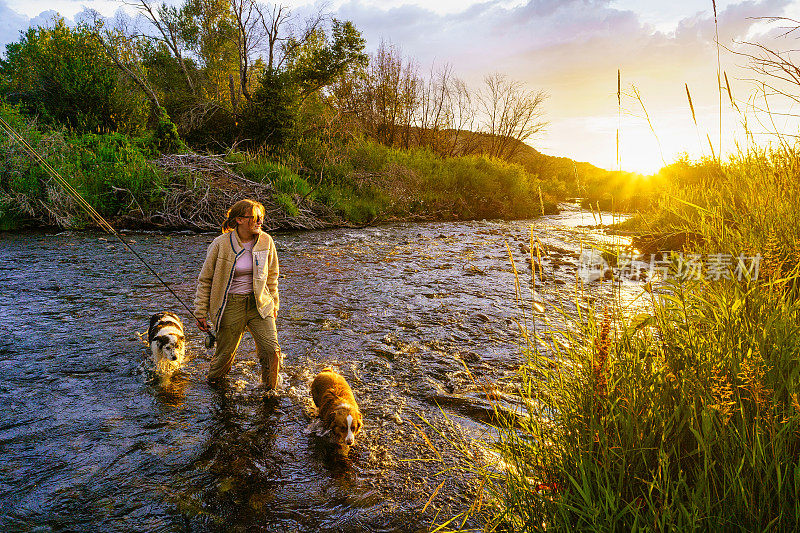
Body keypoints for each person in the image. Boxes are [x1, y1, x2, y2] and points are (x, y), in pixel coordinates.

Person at [194, 199, 281, 387]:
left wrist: (274, 303)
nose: (260, 222)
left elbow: (272, 276)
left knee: (271, 351)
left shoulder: (267, 241)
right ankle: (215, 386)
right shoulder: (220, 244)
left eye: (262, 218)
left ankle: (270, 391)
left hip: (260, 304)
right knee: (224, 356)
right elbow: (205, 280)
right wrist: (200, 312)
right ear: (240, 220)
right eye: (256, 218)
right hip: (230, 305)